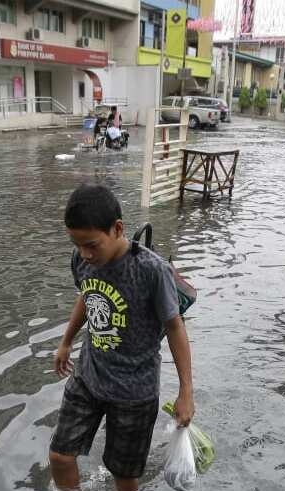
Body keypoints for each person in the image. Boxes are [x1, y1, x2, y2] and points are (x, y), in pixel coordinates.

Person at [50, 184, 194, 491]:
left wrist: (186, 392)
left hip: (134, 392)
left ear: (117, 229)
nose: (85, 255)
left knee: (124, 474)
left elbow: (175, 327)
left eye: (92, 245)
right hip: (88, 376)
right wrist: (66, 342)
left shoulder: (152, 271)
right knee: (60, 456)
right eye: (77, 245)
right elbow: (87, 297)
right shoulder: (81, 260)